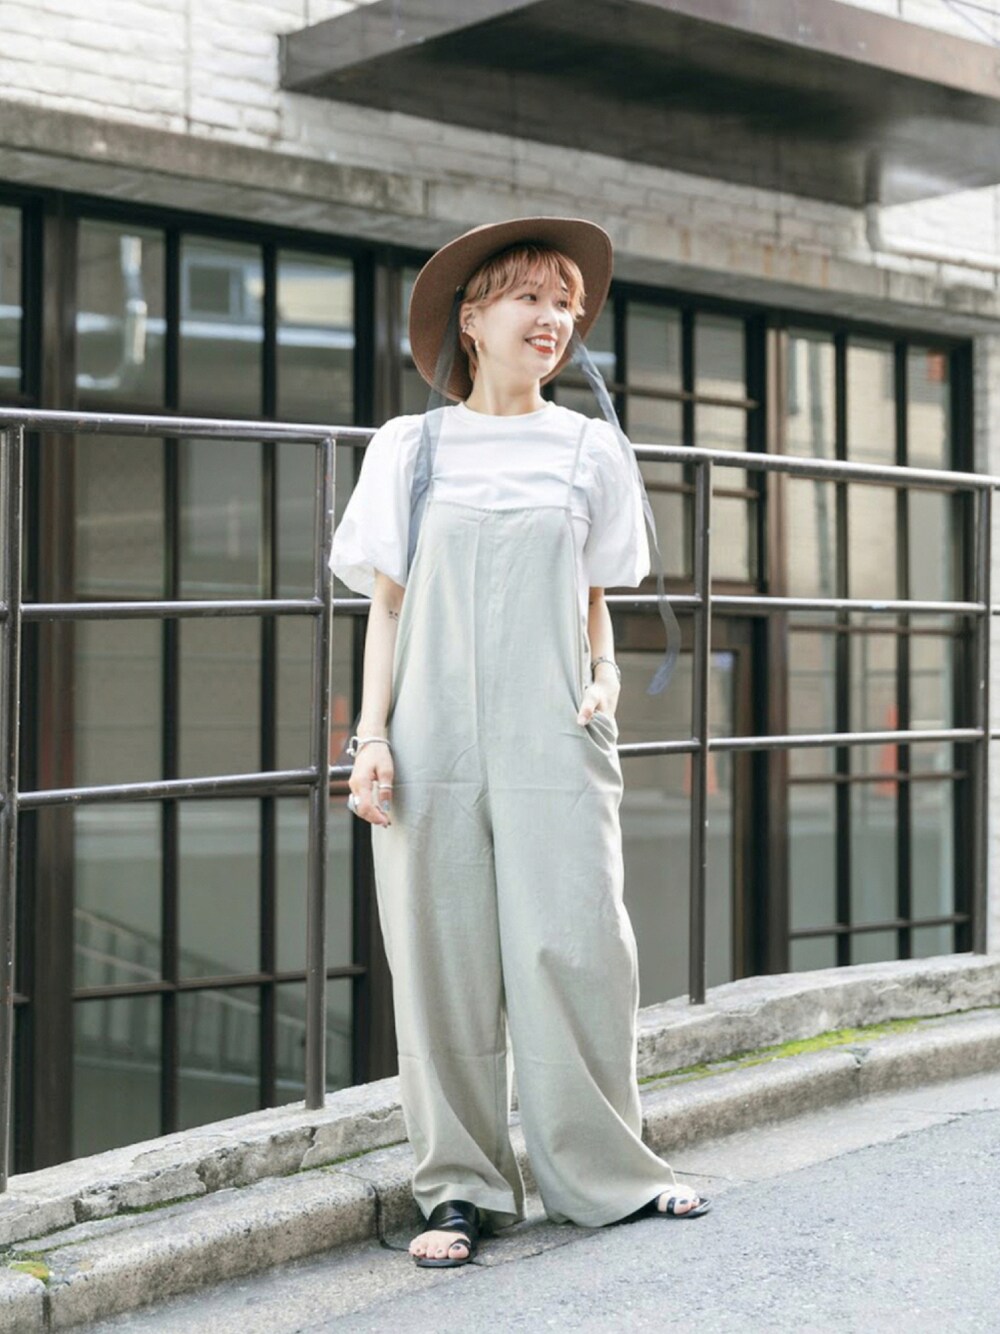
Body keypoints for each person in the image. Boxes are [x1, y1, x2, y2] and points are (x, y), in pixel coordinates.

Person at [329, 217, 709, 1269]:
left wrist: (606, 674)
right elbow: (387, 607)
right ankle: (459, 1191)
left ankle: (608, 1173)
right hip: (429, 725)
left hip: (556, 721)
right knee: (439, 956)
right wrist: (370, 737)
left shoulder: (590, 448)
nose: (552, 320)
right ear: (473, 315)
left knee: (578, 945)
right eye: (530, 298)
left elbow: (593, 595)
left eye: (565, 304)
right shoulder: (409, 448)